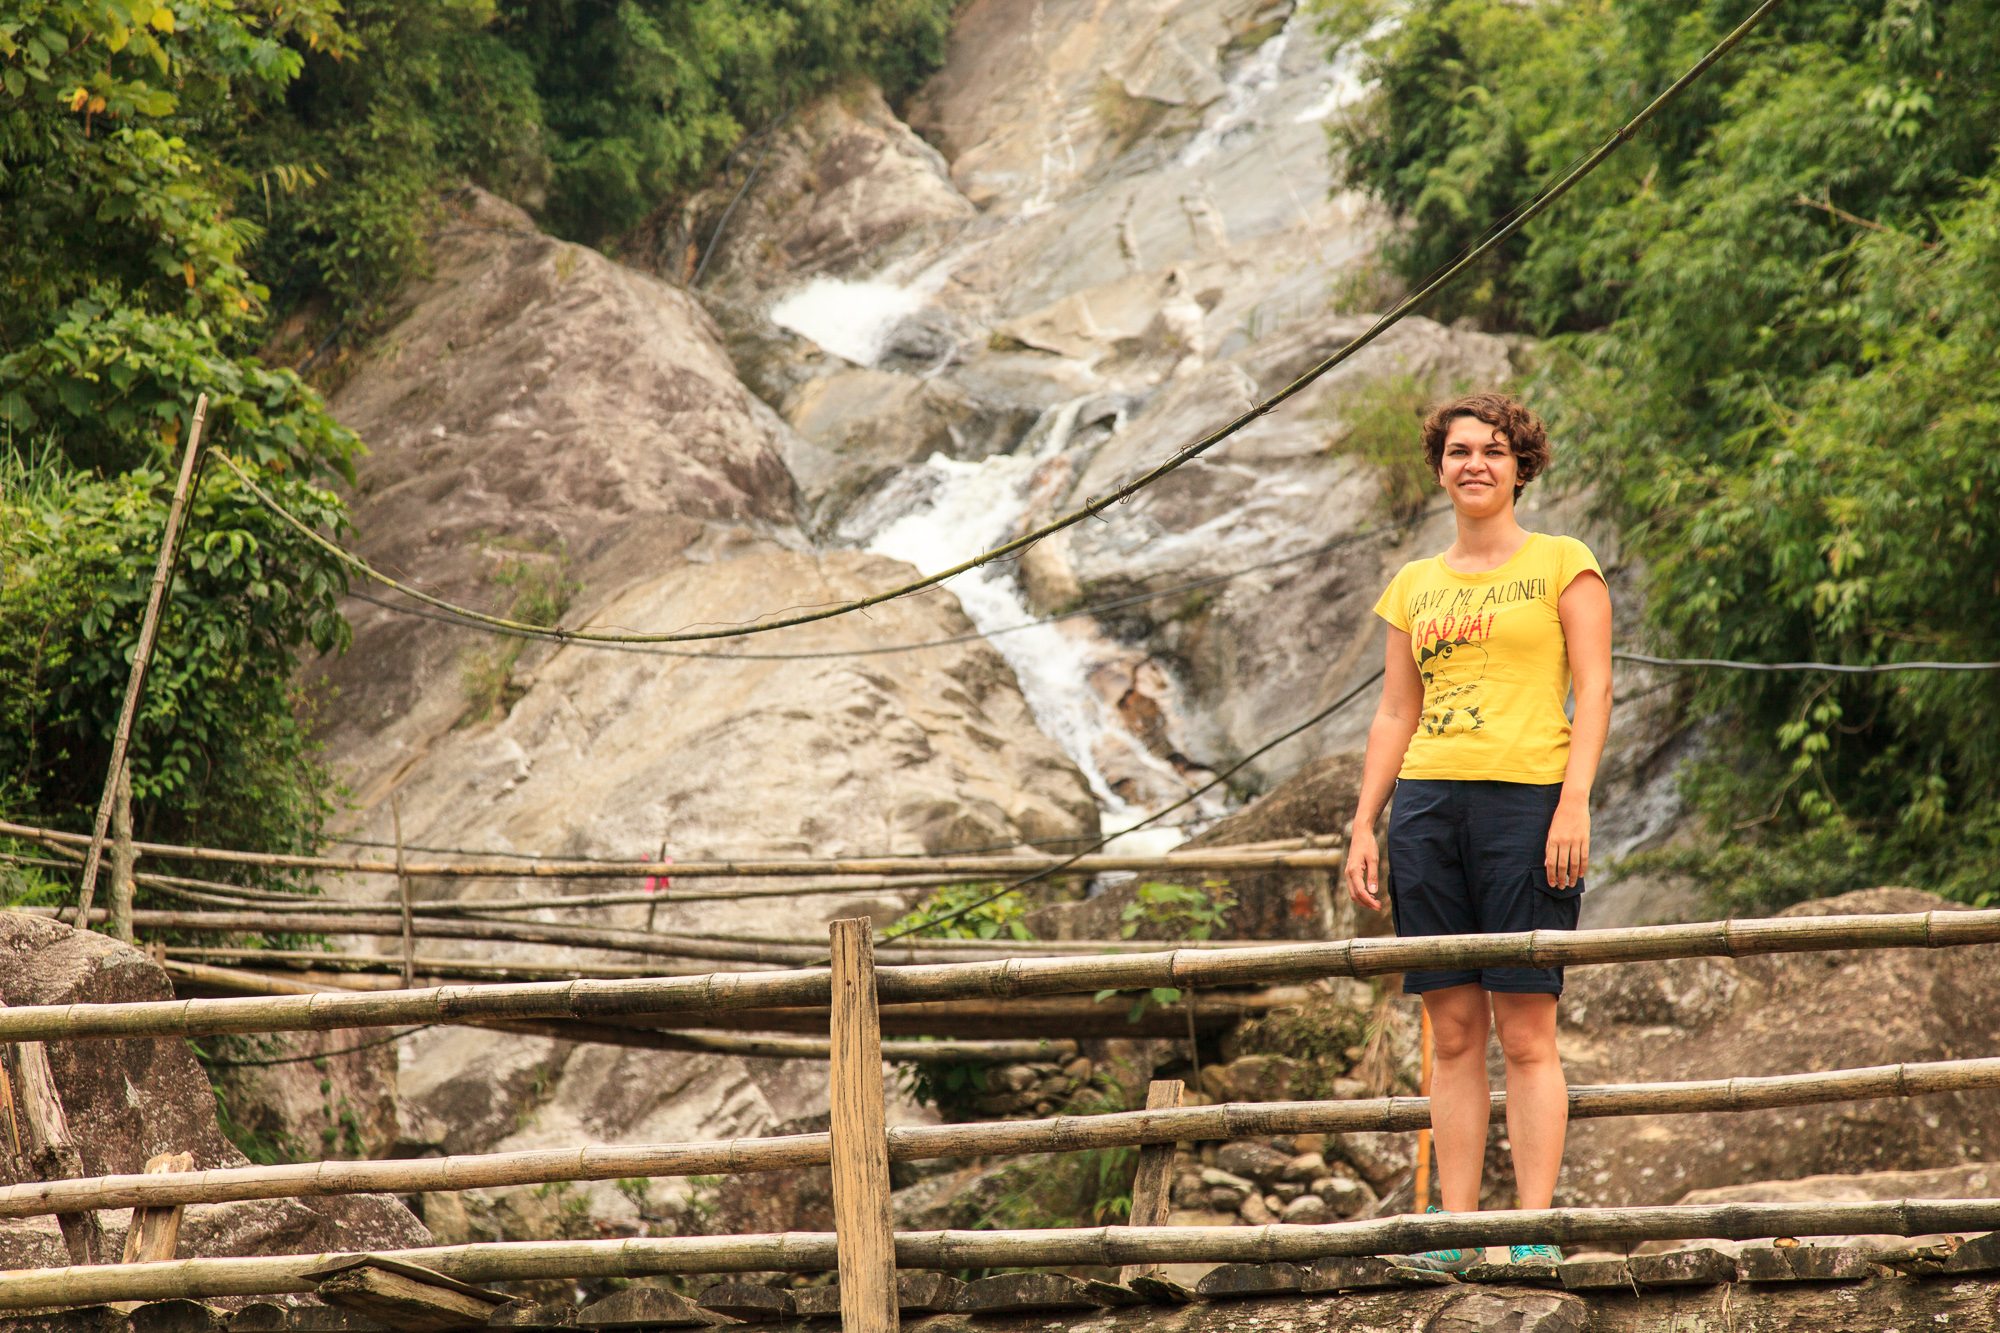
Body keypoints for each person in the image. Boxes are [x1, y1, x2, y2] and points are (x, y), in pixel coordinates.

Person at [1342, 391, 1612, 1270]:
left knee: (1526, 1030)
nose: (1476, 464)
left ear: (1520, 466)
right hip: (1426, 810)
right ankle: (1456, 1231)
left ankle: (1533, 1229)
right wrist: (1364, 822)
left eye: (1494, 450)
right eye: (1460, 451)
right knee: (1453, 1030)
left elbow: (1595, 689)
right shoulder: (1412, 586)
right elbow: (1395, 710)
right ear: (1439, 468)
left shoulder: (1563, 563)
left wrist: (1574, 801)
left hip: (1528, 806)